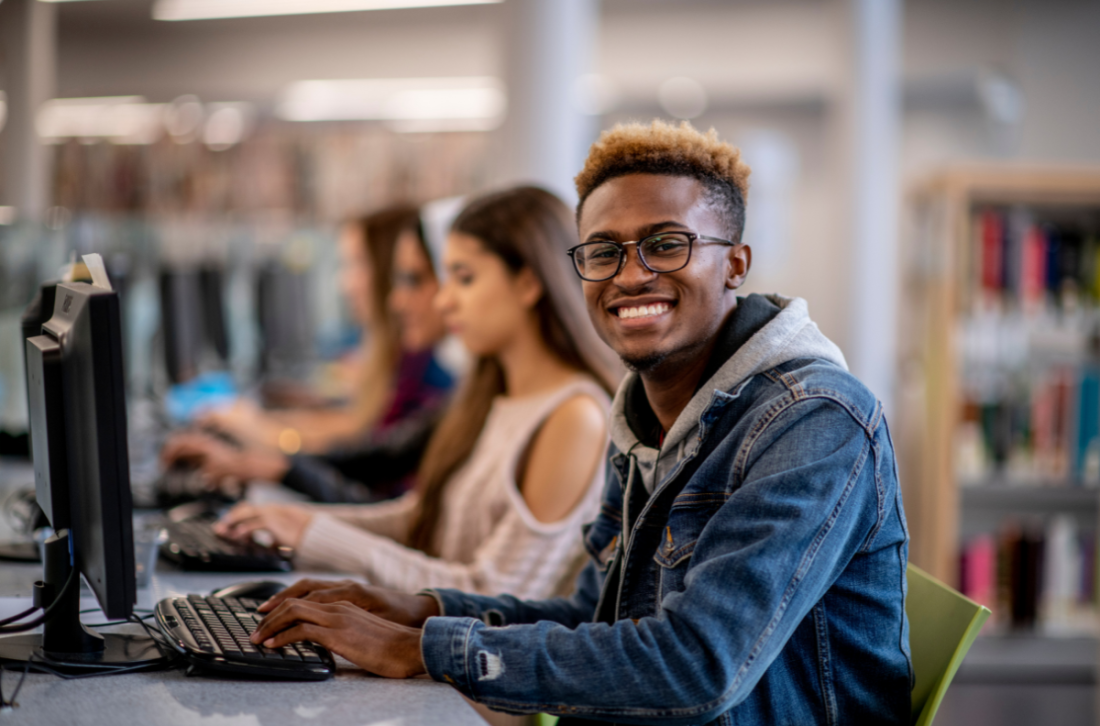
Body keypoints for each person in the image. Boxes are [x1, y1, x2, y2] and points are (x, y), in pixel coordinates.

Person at [248, 121, 912, 725]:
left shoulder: (812, 422)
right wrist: (424, 609)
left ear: (735, 263)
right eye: (604, 252)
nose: (631, 274)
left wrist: (426, 648)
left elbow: (696, 666)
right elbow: (594, 618)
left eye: (666, 244)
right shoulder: (647, 418)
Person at [213, 186, 621, 599]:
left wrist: (314, 534)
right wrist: (297, 522)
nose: (443, 301)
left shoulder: (574, 415)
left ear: (529, 283)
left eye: (464, 278)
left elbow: (494, 595)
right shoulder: (495, 396)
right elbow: (422, 518)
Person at [163, 206, 458, 502]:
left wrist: (270, 443)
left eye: (356, 264)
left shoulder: (429, 371)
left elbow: (367, 457)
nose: (344, 283)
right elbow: (369, 450)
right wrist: (268, 452)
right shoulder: (420, 366)